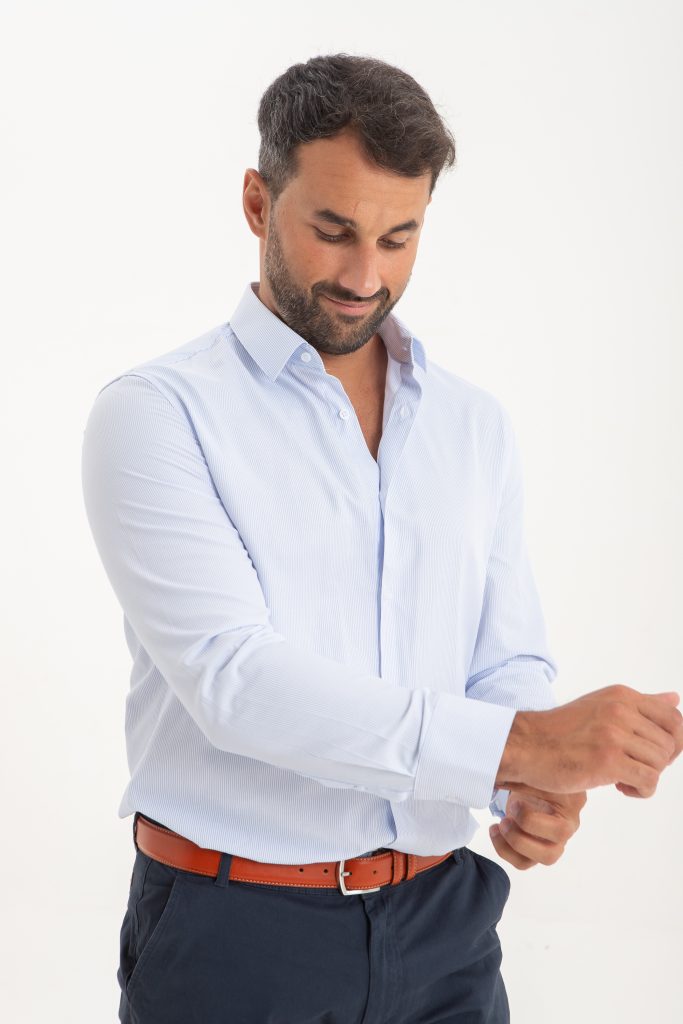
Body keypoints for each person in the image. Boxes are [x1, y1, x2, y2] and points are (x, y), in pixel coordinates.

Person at [81, 54, 683, 1024]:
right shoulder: (157, 415)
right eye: (333, 231)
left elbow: (503, 654)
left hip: (444, 924)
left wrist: (531, 781)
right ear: (256, 202)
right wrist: (518, 745)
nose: (366, 276)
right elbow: (235, 682)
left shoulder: (469, 423)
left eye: (399, 238)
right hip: (237, 935)